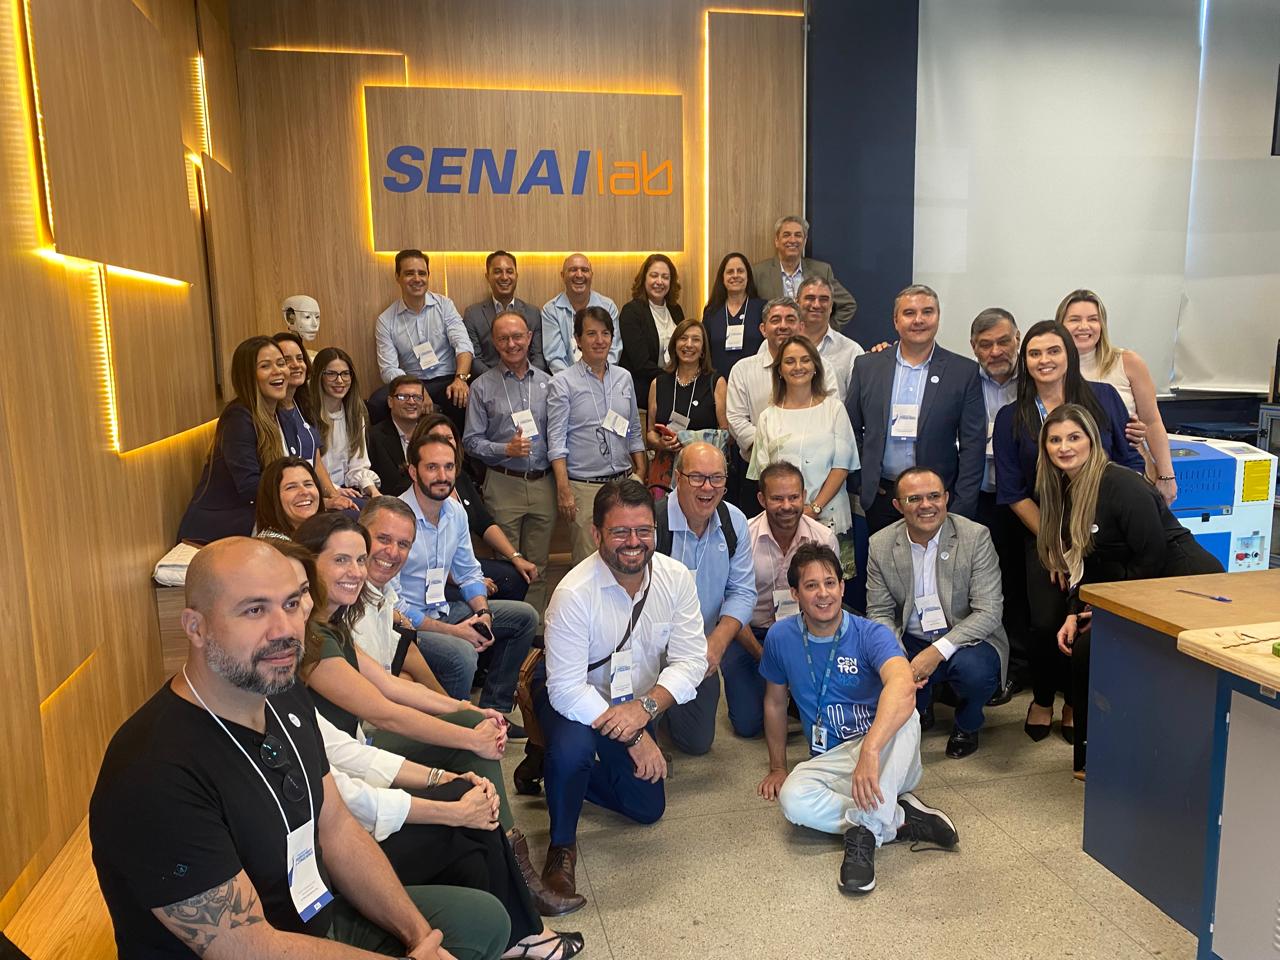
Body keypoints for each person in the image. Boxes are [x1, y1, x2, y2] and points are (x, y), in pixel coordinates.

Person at [89, 536, 510, 959]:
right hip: (254, 949)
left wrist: (420, 938)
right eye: (255, 610)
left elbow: (336, 825)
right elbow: (247, 947)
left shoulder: (282, 692)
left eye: (291, 604)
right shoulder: (153, 772)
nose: (285, 630)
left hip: (313, 913)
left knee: (483, 920)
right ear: (195, 627)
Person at [268, 535, 584, 956]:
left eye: (298, 597)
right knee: (467, 813)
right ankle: (518, 913)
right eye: (342, 559)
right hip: (330, 853)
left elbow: (359, 729)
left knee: (469, 794)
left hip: (355, 788)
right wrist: (449, 799)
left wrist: (458, 729)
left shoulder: (325, 633)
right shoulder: (297, 660)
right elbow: (377, 724)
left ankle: (516, 921)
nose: (360, 568)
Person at [535, 479, 707, 904]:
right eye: (620, 532)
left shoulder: (676, 579)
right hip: (573, 696)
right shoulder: (573, 594)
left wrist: (644, 710)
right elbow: (566, 689)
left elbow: (692, 661)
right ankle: (561, 847)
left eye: (643, 530)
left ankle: (549, 766)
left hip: (635, 704)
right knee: (572, 752)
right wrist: (633, 736)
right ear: (596, 534)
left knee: (647, 808)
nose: (634, 542)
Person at [756, 543, 958, 896]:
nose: (823, 594)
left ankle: (864, 834)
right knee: (793, 800)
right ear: (795, 594)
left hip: (885, 754)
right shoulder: (780, 637)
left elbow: (902, 684)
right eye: (811, 586)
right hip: (831, 759)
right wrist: (777, 766)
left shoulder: (870, 634)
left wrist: (871, 750)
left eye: (830, 583)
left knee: (906, 714)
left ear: (842, 586)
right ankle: (899, 818)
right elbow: (774, 703)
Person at [1036, 405, 1222, 777]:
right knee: (1085, 648)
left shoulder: (1121, 484)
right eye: (1055, 440)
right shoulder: (1064, 490)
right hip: (1133, 588)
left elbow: (1152, 557)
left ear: (1092, 440)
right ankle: (1092, 759)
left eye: (1074, 437)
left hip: (1185, 585)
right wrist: (1075, 611)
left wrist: (1106, 610)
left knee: (1163, 671)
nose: (1064, 447)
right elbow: (1083, 562)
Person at [992, 320, 1145, 743]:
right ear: (1025, 361)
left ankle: (1077, 702)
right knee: (1044, 622)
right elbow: (1013, 492)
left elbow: (1128, 461)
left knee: (1091, 623)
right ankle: (1042, 698)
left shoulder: (1104, 398)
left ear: (1069, 355)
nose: (1045, 360)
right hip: (1044, 534)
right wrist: (1056, 544)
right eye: (1035, 353)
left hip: (1102, 536)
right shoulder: (1011, 417)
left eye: (1053, 351)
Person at [865, 467, 1007, 759]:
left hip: (965, 638)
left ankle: (967, 724)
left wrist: (937, 651)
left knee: (976, 674)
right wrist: (896, 657)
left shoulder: (975, 537)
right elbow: (879, 611)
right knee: (879, 667)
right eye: (914, 499)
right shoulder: (880, 544)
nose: (926, 505)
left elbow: (989, 611)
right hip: (910, 638)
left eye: (934, 496)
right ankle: (922, 704)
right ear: (898, 505)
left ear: (946, 498)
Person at [396, 432, 539, 713]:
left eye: (448, 467)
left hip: (442, 609)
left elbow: (469, 572)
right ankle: (455, 728)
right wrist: (453, 632)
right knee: (462, 654)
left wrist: (483, 612)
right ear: (413, 471)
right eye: (432, 467)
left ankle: (495, 712)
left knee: (525, 617)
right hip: (406, 624)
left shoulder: (455, 512)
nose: (442, 476)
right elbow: (392, 604)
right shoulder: (396, 518)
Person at [846, 284, 986, 534]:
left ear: (938, 317)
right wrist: (864, 479)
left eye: (927, 312)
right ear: (896, 321)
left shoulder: (963, 372)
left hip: (936, 500)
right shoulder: (867, 366)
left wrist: (962, 504)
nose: (919, 320)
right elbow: (850, 429)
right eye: (909, 313)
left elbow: (973, 445)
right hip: (882, 496)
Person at [657, 443, 756, 754]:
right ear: (678, 478)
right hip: (649, 649)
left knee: (697, 743)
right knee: (632, 733)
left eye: (716, 478)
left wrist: (717, 643)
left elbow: (742, 591)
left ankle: (668, 709)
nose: (708, 487)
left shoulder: (734, 522)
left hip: (700, 649)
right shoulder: (653, 522)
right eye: (697, 477)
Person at [463, 309, 557, 619]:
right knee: (507, 566)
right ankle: (511, 627)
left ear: (529, 338)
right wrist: (506, 448)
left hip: (543, 483)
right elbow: (470, 442)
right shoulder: (482, 386)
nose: (512, 344)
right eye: (503, 338)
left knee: (539, 565)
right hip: (503, 483)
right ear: (494, 342)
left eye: (517, 336)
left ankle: (536, 631)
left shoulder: (549, 384)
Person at [737, 460, 840, 737]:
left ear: (804, 496)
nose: (787, 506)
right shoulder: (743, 537)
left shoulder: (823, 538)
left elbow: (831, 601)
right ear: (762, 499)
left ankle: (795, 691)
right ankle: (787, 690)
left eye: (794, 497)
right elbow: (730, 606)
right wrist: (766, 658)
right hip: (752, 634)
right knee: (748, 724)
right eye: (777, 498)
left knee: (833, 706)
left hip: (806, 631)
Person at [748, 335, 860, 577]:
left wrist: (815, 507)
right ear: (779, 370)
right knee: (785, 582)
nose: (798, 367)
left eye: (805, 360)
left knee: (826, 584)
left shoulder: (834, 409)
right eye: (790, 361)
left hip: (829, 515)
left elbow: (842, 466)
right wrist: (793, 508)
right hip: (784, 519)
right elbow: (764, 474)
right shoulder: (768, 416)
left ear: (816, 366)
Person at [1056, 289, 1179, 505]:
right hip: (1070, 482)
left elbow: (1152, 421)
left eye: (1093, 319)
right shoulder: (1050, 368)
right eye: (1074, 319)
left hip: (1129, 472)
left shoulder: (1128, 362)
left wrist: (1167, 476)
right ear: (1060, 324)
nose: (1084, 326)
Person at [547, 306, 647, 563]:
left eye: (605, 333)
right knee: (588, 564)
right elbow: (556, 442)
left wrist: (640, 473)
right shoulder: (563, 382)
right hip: (585, 488)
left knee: (627, 558)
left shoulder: (624, 378)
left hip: (625, 484)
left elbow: (634, 430)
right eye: (591, 334)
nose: (599, 340)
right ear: (578, 340)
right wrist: (564, 490)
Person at [413, 413, 537, 604]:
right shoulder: (417, 488)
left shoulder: (460, 479)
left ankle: (491, 616)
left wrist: (515, 557)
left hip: (460, 566)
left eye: (448, 438)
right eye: (436, 437)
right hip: (430, 578)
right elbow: (424, 561)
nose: (444, 443)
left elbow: (483, 522)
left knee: (514, 577)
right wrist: (467, 581)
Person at [969, 308, 1029, 704]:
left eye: (1004, 341)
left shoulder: (1035, 379)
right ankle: (989, 664)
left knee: (1021, 584)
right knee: (981, 585)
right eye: (985, 344)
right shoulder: (963, 380)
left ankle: (1021, 667)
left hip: (1024, 497)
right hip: (978, 497)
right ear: (974, 348)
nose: (995, 351)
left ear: (1017, 339)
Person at [178, 336, 289, 543]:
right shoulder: (238, 418)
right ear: (247, 376)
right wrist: (296, 497)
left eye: (281, 363)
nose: (278, 371)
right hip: (219, 530)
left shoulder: (279, 413)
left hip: (258, 519)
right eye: (265, 366)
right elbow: (249, 487)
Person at [356, 496, 447, 694]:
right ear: (359, 535)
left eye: (403, 544)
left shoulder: (385, 593)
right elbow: (374, 697)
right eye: (383, 539)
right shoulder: (349, 604)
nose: (393, 552)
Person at [374, 249, 475, 428]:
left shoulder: (444, 306)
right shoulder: (386, 320)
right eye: (409, 273)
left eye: (422, 273)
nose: (417, 279)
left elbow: (463, 344)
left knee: (463, 396)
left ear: (428, 276)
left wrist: (461, 378)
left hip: (448, 378)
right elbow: (388, 369)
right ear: (397, 277)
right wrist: (416, 389)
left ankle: (460, 446)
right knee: (377, 403)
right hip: (409, 381)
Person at [725, 296, 802, 515]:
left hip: (809, 472)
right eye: (775, 320)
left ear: (801, 327)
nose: (783, 326)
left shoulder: (819, 368)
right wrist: (772, 451)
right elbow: (736, 419)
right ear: (763, 329)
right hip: (756, 474)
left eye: (790, 319)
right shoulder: (743, 369)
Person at [644, 319, 728, 493]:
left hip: (703, 474)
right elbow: (650, 432)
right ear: (674, 345)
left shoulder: (716, 382)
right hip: (664, 475)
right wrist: (661, 443)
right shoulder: (658, 383)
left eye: (696, 339)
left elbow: (726, 433)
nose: (688, 344)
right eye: (683, 338)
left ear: (703, 349)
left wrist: (689, 438)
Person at [751, 215, 856, 327]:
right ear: (777, 241)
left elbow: (848, 305)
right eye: (786, 235)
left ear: (804, 241)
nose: (792, 240)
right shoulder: (758, 272)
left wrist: (824, 329)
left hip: (810, 337)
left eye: (798, 235)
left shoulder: (822, 271)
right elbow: (750, 312)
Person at [309, 346, 381, 500]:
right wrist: (335, 490)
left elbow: (358, 466)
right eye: (331, 374)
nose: (340, 380)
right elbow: (309, 469)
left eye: (345, 374)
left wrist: (372, 490)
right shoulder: (307, 416)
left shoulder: (355, 414)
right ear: (319, 376)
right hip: (318, 494)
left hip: (346, 490)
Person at [462, 251, 546, 375]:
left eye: (509, 272)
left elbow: (538, 355)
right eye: (497, 272)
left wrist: (527, 378)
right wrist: (498, 381)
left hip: (527, 380)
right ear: (487, 276)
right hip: (489, 382)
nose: (504, 277)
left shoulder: (533, 313)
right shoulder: (473, 314)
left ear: (516, 276)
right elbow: (475, 359)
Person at [618, 253, 686, 406]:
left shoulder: (675, 310)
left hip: (674, 388)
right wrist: (673, 379)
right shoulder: (631, 312)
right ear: (644, 279)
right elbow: (640, 363)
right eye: (654, 275)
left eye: (665, 277)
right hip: (644, 392)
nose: (659, 282)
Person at [542, 254, 620, 374]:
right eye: (573, 270)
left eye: (584, 270)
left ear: (591, 275)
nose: (579, 275)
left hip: (603, 378)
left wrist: (597, 377)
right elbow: (555, 358)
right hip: (566, 382)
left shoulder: (608, 307)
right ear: (562, 275)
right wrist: (576, 382)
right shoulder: (551, 310)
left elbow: (613, 351)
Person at [701, 251, 765, 383]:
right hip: (718, 384)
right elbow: (705, 352)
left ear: (748, 276)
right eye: (730, 272)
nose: (735, 275)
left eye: (740, 271)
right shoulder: (711, 312)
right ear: (722, 278)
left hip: (754, 382)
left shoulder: (762, 308)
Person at [796, 276, 864, 400]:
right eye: (810, 298)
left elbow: (858, 402)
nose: (816, 305)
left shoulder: (852, 351)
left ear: (831, 306)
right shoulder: (778, 345)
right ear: (797, 303)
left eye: (823, 299)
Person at [368, 375, 429, 497]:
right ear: (390, 402)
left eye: (417, 397)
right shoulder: (373, 437)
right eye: (403, 397)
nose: (411, 402)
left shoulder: (431, 433)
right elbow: (388, 484)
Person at [254, 456, 324, 540]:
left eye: (308, 484)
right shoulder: (271, 545)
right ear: (272, 497)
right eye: (291, 487)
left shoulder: (323, 534)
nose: (304, 492)